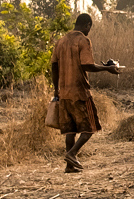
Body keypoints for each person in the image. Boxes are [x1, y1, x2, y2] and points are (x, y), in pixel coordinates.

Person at [49, 13, 120, 173]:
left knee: (70, 129)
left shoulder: (61, 41)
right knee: (90, 127)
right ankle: (72, 154)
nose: (89, 31)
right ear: (87, 25)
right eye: (89, 28)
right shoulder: (83, 40)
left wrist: (56, 89)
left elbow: (54, 66)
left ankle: (69, 166)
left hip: (64, 92)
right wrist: (108, 68)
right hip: (80, 92)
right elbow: (87, 65)